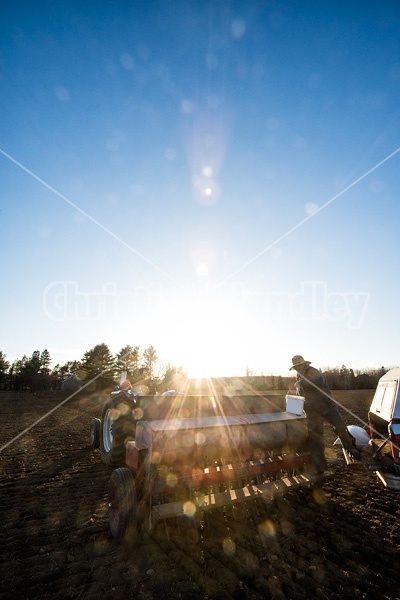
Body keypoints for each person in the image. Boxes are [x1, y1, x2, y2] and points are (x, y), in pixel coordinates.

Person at [290, 355, 360, 474]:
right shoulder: (299, 377)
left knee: (340, 427)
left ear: (304, 364)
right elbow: (301, 394)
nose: (298, 369)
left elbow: (318, 381)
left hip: (327, 407)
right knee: (316, 439)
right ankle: (320, 466)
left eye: (299, 366)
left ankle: (352, 450)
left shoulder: (313, 371)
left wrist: (301, 383)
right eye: (296, 367)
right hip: (313, 411)